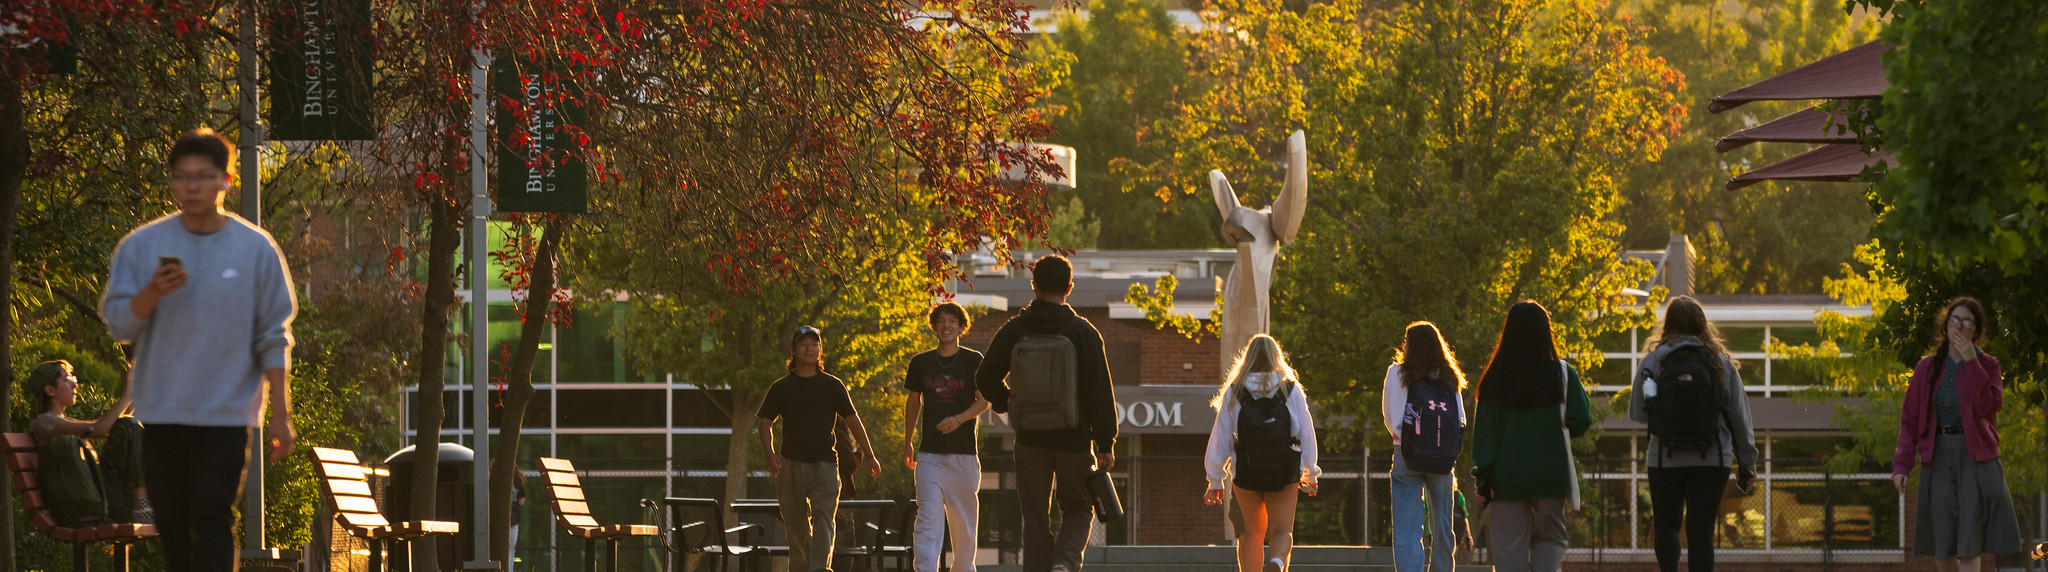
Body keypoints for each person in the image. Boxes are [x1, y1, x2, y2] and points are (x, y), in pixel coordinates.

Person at [100, 127, 298, 572]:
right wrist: (151, 292)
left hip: (227, 414)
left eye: (204, 176)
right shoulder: (142, 246)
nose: (191, 187)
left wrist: (281, 413)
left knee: (211, 514)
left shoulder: (254, 248)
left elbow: (274, 334)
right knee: (172, 521)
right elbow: (118, 325)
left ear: (228, 180)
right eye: (181, 177)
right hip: (163, 410)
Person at [977, 254, 1119, 572]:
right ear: (1069, 287)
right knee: (1079, 508)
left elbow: (985, 377)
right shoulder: (1084, 332)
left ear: (1034, 286)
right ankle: (1064, 565)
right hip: (1075, 438)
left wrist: (1008, 404)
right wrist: (1106, 443)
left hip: (1029, 439)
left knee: (1036, 518)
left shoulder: (1014, 329)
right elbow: (1100, 391)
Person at [1627, 296, 1759, 572]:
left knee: (1666, 525)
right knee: (1701, 533)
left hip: (1664, 458)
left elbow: (1637, 414)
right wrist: (1747, 461)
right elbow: (1738, 415)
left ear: (1667, 325)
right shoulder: (1720, 363)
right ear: (1703, 326)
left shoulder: (1653, 361)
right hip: (1712, 459)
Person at [1893, 297, 2024, 571]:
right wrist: (1902, 465)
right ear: (1945, 325)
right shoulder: (1925, 368)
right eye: (1955, 319)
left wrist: (1970, 362)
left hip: (1973, 456)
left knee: (1969, 540)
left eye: (1967, 322)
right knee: (1944, 542)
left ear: (1976, 331)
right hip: (1936, 457)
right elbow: (1909, 420)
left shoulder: (1988, 365)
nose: (1960, 326)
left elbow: (1988, 406)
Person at [1470, 301, 1590, 572]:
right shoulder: (1562, 374)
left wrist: (1483, 477)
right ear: (1545, 332)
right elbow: (1581, 420)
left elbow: (1486, 436)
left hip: (1507, 478)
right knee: (1550, 538)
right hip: (1551, 474)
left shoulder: (1494, 379)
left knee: (1510, 546)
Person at [756, 325, 883, 572]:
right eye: (804, 343)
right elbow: (765, 423)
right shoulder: (781, 387)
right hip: (790, 465)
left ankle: (819, 569)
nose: (810, 348)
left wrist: (870, 455)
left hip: (825, 465)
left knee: (825, 519)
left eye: (814, 344)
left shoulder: (832, 385)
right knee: (795, 526)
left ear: (820, 350)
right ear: (793, 350)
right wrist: (770, 455)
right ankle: (802, 568)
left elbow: (853, 420)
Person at [1203, 334, 1320, 572]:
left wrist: (1215, 478)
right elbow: (1306, 433)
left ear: (1247, 358)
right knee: (1282, 531)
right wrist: (1310, 473)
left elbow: (1221, 437)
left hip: (1246, 472)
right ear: (1277, 357)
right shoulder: (1290, 390)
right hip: (1284, 470)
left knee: (1251, 534)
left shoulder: (1235, 391)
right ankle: (1276, 564)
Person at [901, 302, 989, 572]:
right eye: (941, 321)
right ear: (934, 327)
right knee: (927, 517)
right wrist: (907, 442)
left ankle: (963, 569)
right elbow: (913, 402)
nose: (946, 326)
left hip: (964, 456)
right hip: (929, 456)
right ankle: (925, 569)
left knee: (963, 524)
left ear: (962, 327)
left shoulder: (974, 360)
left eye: (952, 321)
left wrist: (959, 419)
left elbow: (985, 400)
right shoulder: (920, 362)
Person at [23, 360, 153, 524]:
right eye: (66, 380)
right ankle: (143, 507)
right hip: (92, 506)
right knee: (128, 425)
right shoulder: (44, 422)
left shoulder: (61, 421)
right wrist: (128, 393)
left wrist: (135, 391)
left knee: (129, 426)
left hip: (101, 498)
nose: (74, 385)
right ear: (50, 390)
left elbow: (117, 427)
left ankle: (144, 506)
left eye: (73, 379)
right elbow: (101, 429)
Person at [1381, 322, 1466, 572]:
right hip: (1441, 457)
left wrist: (1404, 437)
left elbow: (1390, 417)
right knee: (1442, 525)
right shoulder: (1450, 377)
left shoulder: (1397, 373)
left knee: (1408, 527)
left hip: (1406, 453)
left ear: (1411, 345)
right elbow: (1460, 419)